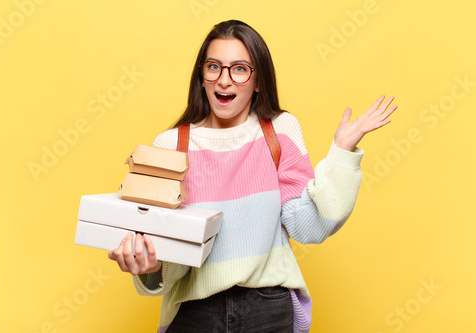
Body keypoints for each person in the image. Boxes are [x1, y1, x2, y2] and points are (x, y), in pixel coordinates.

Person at [108, 19, 397, 332]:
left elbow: (308, 227)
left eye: (240, 68)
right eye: (214, 66)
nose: (224, 80)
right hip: (196, 313)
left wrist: (341, 152)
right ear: (202, 75)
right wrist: (150, 267)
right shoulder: (170, 146)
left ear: (258, 80)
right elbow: (165, 246)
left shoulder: (280, 131)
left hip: (268, 310)